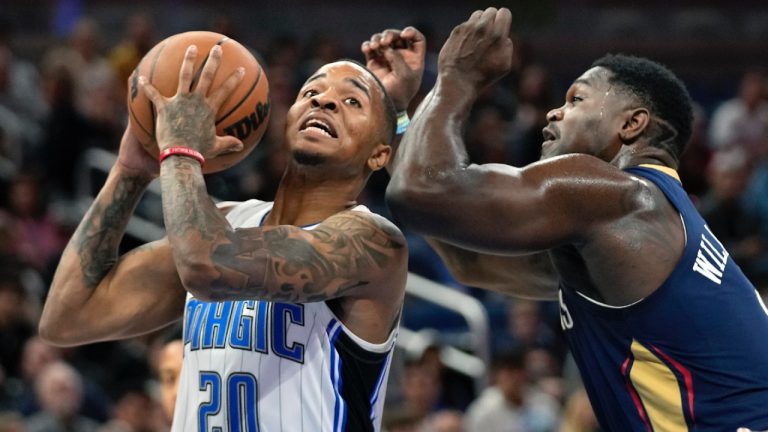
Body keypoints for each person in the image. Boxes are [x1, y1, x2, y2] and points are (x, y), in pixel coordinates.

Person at [385, 7, 768, 431]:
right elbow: (470, 260)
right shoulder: (640, 228)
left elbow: (422, 189)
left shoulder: (615, 196)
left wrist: (457, 74)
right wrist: (399, 114)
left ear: (632, 123)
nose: (554, 112)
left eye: (577, 99)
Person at [39, 27, 426, 431]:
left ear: (381, 153)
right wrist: (130, 172)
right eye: (310, 92)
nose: (324, 100)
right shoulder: (223, 222)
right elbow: (66, 317)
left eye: (352, 101)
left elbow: (207, 267)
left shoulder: (373, 243)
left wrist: (180, 150)